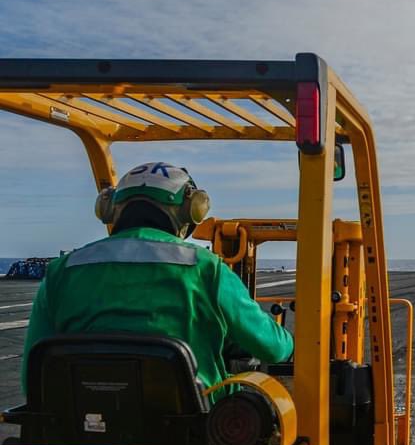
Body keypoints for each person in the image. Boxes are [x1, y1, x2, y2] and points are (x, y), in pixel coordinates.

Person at [22, 162, 293, 394]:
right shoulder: (206, 268)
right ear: (191, 211)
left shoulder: (62, 271)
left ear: (111, 208)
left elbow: (31, 375)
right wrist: (290, 341)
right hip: (192, 434)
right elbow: (273, 348)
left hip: (77, 429)